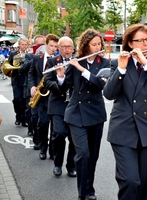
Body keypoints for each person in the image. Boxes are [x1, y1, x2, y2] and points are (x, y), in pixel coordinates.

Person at [103, 24, 147, 200]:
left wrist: (146, 64)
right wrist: (121, 70)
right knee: (130, 180)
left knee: (145, 185)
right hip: (123, 130)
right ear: (130, 44)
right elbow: (108, 94)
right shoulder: (118, 64)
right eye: (140, 41)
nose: (145, 44)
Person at [57, 29, 109, 200]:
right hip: (76, 114)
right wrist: (61, 77)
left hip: (95, 113)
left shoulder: (104, 63)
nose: (97, 47)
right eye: (93, 44)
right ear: (85, 45)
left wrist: (81, 69)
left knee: (93, 156)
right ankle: (82, 194)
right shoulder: (75, 61)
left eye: (99, 44)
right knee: (83, 154)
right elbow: (64, 88)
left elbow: (100, 85)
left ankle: (89, 188)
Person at [44, 36, 76, 178]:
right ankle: (57, 164)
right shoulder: (52, 61)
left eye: (70, 47)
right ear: (59, 48)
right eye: (64, 47)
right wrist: (60, 81)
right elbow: (47, 82)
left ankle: (71, 165)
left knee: (75, 138)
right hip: (58, 104)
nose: (67, 50)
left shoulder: (77, 62)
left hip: (74, 106)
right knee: (59, 134)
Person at [28, 34, 59, 160]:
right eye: (51, 46)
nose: (53, 49)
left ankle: (52, 150)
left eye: (56, 47)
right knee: (43, 123)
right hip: (41, 97)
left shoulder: (58, 60)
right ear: (46, 45)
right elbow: (31, 74)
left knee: (55, 127)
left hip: (54, 96)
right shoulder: (37, 58)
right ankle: (42, 147)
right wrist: (32, 86)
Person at [19, 35, 45, 137]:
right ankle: (32, 129)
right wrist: (34, 58)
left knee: (41, 115)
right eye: (38, 45)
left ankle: (39, 136)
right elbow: (22, 69)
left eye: (42, 45)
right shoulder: (29, 56)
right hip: (31, 87)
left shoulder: (48, 56)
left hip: (43, 88)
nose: (40, 47)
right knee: (32, 112)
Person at [8, 37, 28, 127]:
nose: (24, 46)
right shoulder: (13, 53)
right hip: (16, 79)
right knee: (17, 99)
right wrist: (8, 72)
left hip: (25, 80)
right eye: (22, 44)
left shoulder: (29, 54)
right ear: (19, 45)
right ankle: (18, 116)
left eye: (25, 45)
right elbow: (8, 65)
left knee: (24, 100)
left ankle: (24, 119)